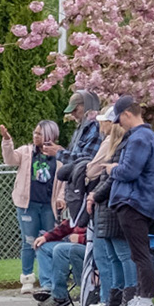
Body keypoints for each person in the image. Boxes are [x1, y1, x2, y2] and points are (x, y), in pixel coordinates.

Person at [108, 95, 154, 306]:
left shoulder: (139, 138)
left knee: (140, 254)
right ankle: (141, 298)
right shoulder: (150, 137)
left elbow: (129, 172)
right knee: (139, 253)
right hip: (143, 202)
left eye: (120, 119)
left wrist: (112, 169)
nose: (119, 125)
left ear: (127, 114)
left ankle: (145, 301)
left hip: (133, 202)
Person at [83, 108, 136, 306]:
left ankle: (129, 296)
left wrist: (95, 195)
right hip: (107, 207)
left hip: (114, 207)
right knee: (113, 255)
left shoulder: (122, 148)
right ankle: (115, 297)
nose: (101, 126)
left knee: (123, 254)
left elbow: (112, 178)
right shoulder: (115, 148)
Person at [1, 119, 62, 295]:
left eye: (40, 134)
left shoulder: (59, 156)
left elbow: (64, 181)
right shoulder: (26, 152)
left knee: (48, 240)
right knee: (29, 241)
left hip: (49, 205)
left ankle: (48, 280)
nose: (35, 136)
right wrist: (7, 141)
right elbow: (10, 159)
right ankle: (27, 278)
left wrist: (61, 198)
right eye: (35, 133)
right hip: (28, 205)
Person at [55, 90, 103, 222]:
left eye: (75, 109)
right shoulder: (80, 128)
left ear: (86, 106)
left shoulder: (95, 127)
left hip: (89, 187)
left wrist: (59, 153)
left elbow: (87, 160)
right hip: (77, 187)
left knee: (84, 226)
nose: (72, 114)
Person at [31, 202, 89, 306]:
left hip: (90, 248)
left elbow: (101, 234)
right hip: (73, 245)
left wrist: (81, 239)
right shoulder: (81, 207)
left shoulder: (98, 206)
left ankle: (60, 296)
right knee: (42, 247)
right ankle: (48, 287)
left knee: (60, 249)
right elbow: (67, 226)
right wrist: (46, 237)